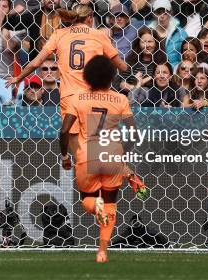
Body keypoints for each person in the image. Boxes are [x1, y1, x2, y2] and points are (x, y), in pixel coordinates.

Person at [60, 54, 146, 263]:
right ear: (111, 77)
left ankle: (94, 205)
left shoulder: (77, 99)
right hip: (112, 156)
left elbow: (64, 131)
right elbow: (134, 134)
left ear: (88, 77)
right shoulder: (120, 99)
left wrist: (64, 155)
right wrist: (121, 151)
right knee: (110, 205)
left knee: (88, 200)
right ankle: (102, 251)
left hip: (87, 155)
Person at [7, 4, 127, 147]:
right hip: (93, 96)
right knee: (96, 143)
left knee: (76, 144)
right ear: (90, 19)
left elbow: (36, 63)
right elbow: (122, 66)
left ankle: (78, 165)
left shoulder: (59, 34)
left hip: (70, 97)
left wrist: (18, 78)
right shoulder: (98, 35)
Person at [147, 0, 187, 68]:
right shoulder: (148, 33)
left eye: (165, 12)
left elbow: (186, 55)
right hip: (153, 71)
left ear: (171, 13)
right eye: (159, 12)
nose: (162, 16)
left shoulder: (180, 33)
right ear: (153, 14)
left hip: (175, 72)